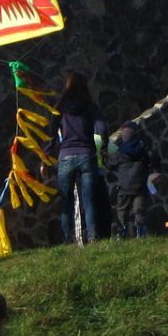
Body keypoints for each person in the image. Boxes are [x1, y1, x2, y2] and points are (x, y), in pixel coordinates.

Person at [55, 72, 106, 245]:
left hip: (65, 156)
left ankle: (68, 239)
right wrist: (103, 147)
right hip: (87, 154)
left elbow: (51, 130)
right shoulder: (90, 106)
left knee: (65, 201)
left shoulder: (60, 106)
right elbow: (101, 128)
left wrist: (48, 151)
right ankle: (93, 237)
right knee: (89, 200)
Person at [108, 123, 152, 238]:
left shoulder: (120, 151)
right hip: (140, 186)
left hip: (124, 187)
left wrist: (105, 157)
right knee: (139, 211)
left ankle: (121, 234)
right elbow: (152, 160)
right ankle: (141, 234)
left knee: (122, 212)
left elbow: (110, 164)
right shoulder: (144, 148)